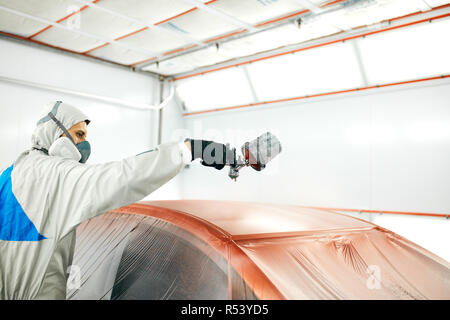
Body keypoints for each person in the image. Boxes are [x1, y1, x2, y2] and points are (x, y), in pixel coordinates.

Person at [0, 100, 227, 299]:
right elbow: (124, 175)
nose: (84, 144)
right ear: (55, 133)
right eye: (78, 135)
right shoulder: (58, 175)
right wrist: (187, 150)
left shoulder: (10, 174)